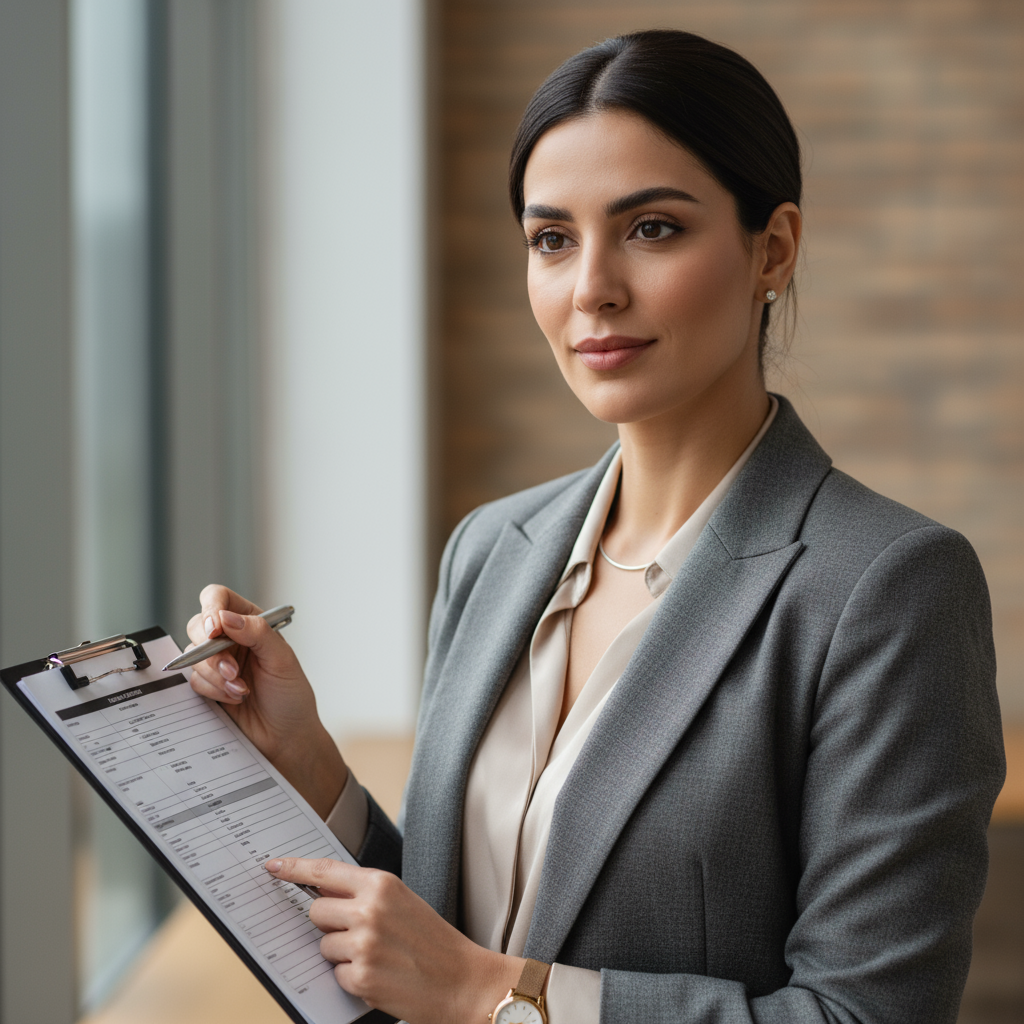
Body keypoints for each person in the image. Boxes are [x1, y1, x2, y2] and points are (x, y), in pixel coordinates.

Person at [186, 30, 1005, 1024]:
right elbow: (453, 935)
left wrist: (492, 994)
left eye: (651, 229)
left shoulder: (885, 586)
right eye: (551, 239)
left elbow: (867, 1012)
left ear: (772, 248)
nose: (591, 289)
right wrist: (306, 761)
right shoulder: (493, 548)